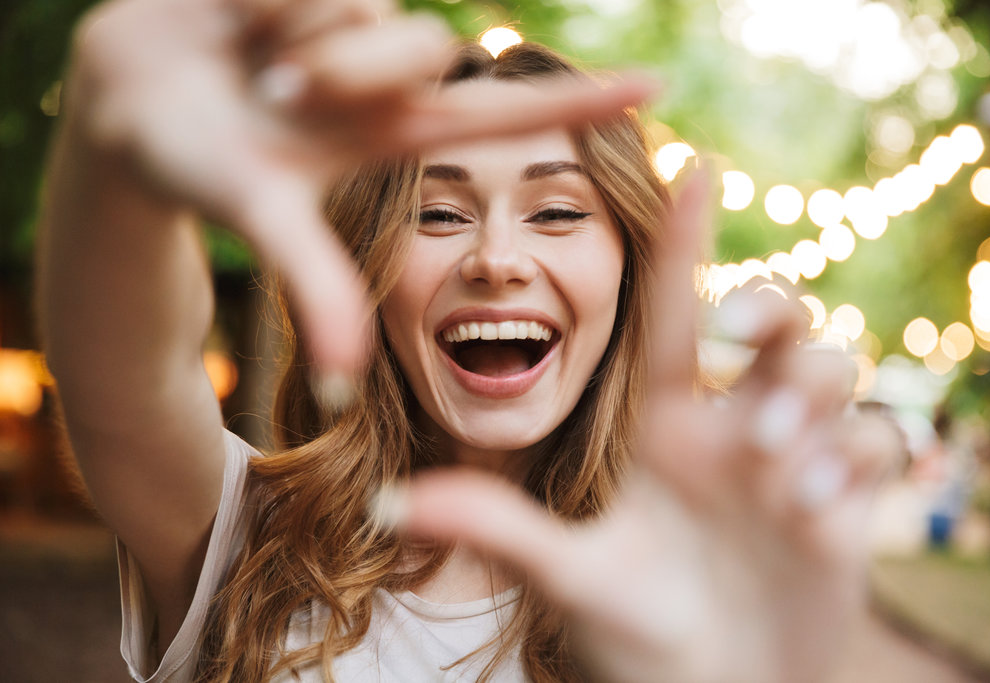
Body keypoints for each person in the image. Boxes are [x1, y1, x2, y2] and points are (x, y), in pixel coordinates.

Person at [36, 0, 899, 681]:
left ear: (632, 271)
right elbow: (127, 372)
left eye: (557, 212)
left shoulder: (699, 590)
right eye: (438, 214)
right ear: (370, 266)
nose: (495, 258)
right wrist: (113, 170)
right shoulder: (239, 536)